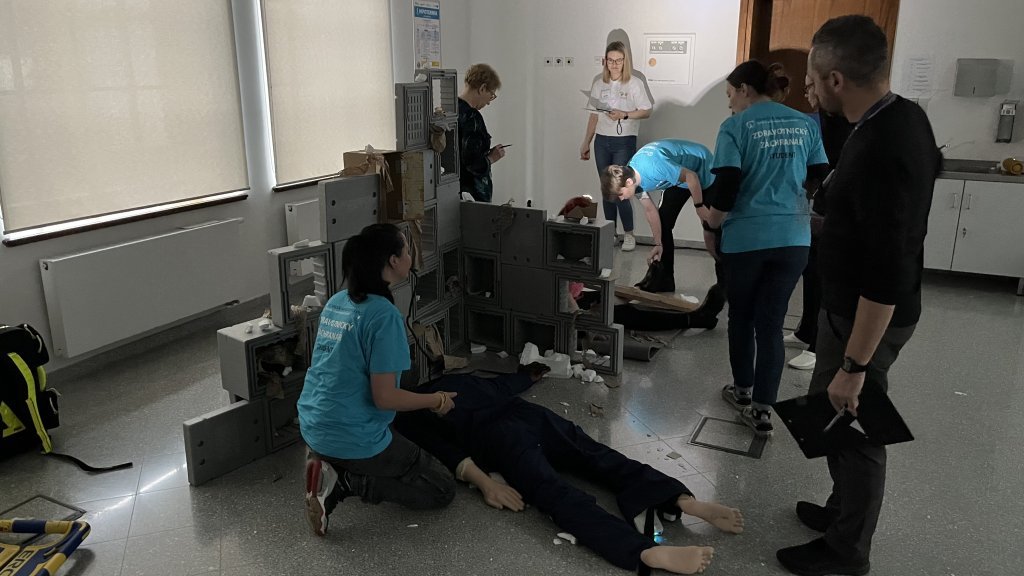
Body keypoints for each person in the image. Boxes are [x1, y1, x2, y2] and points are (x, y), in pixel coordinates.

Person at [776, 16, 941, 575]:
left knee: (853, 424)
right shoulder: (899, 116)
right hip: (851, 307)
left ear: (836, 79)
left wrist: (855, 366)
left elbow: (886, 272)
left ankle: (848, 550)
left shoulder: (882, 149)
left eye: (812, 79)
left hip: (866, 318)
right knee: (833, 416)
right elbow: (873, 220)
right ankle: (839, 511)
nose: (808, 88)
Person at [394, 365, 744, 575]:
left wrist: (486, 483)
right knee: (598, 456)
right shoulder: (450, 384)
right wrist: (527, 375)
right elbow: (502, 387)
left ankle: (643, 551)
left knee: (554, 492)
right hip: (531, 417)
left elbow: (449, 452)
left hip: (501, 437)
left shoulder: (409, 412)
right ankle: (680, 500)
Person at [297, 223, 460, 537]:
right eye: (407, 249)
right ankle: (346, 483)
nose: (411, 255)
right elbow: (384, 398)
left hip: (314, 423)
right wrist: (436, 400)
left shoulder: (337, 301)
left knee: (395, 419)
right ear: (393, 261)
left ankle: (327, 461)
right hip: (351, 434)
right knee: (441, 488)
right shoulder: (383, 316)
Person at [703, 61, 829, 437]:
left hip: (747, 238)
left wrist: (711, 225)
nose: (730, 103)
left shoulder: (735, 127)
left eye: (730, 95)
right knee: (771, 325)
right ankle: (762, 411)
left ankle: (742, 391)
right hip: (793, 239)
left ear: (744, 89)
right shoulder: (805, 123)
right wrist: (792, 201)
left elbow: (726, 185)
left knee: (742, 317)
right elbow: (820, 176)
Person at [785, 76, 854, 371]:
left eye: (810, 86)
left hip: (835, 207)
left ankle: (817, 347)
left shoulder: (843, 119)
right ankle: (806, 330)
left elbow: (835, 166)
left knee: (823, 273)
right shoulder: (820, 118)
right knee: (811, 269)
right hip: (819, 202)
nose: (807, 93)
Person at [601, 139, 720, 296]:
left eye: (620, 194)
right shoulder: (631, 178)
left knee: (711, 228)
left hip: (702, 169)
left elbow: (692, 177)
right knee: (664, 222)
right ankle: (665, 280)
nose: (621, 199)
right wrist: (658, 243)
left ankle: (725, 281)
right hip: (681, 177)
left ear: (628, 182)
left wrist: (699, 206)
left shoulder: (654, 167)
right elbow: (650, 210)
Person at [580, 41, 653, 252]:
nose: (614, 64)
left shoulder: (635, 83)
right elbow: (593, 117)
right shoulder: (599, 83)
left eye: (618, 60)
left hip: (624, 141)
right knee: (606, 189)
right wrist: (586, 141)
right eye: (610, 60)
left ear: (625, 61)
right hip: (602, 141)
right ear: (605, 61)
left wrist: (625, 115)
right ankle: (610, 232)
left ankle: (629, 234)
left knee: (620, 187)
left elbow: (646, 111)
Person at [459, 63, 505, 203]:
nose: (489, 102)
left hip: (453, 192)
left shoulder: (449, 110)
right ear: (482, 88)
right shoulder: (472, 117)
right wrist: (491, 158)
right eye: (491, 95)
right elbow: (472, 163)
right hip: (472, 196)